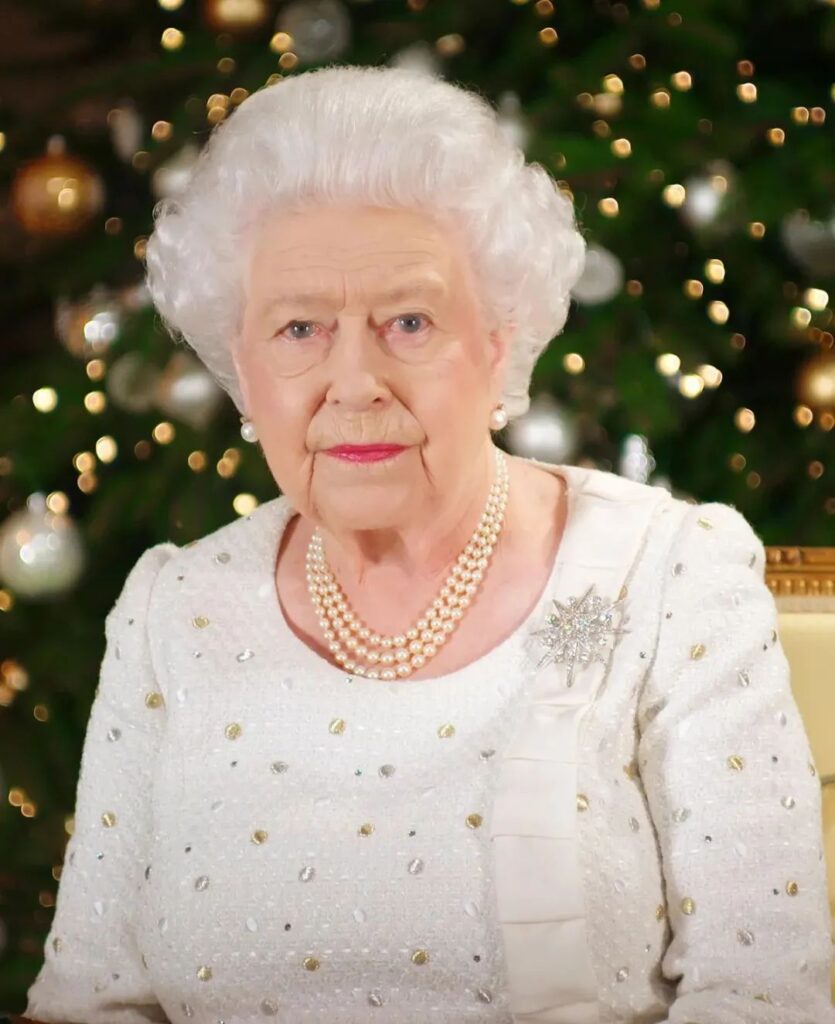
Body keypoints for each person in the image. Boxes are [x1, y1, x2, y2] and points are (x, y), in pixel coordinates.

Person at [21, 64, 833, 1024]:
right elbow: (89, 1000)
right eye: (298, 328)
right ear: (240, 365)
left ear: (499, 341)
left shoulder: (668, 577)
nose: (353, 380)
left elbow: (766, 994)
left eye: (408, 321)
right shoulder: (173, 611)